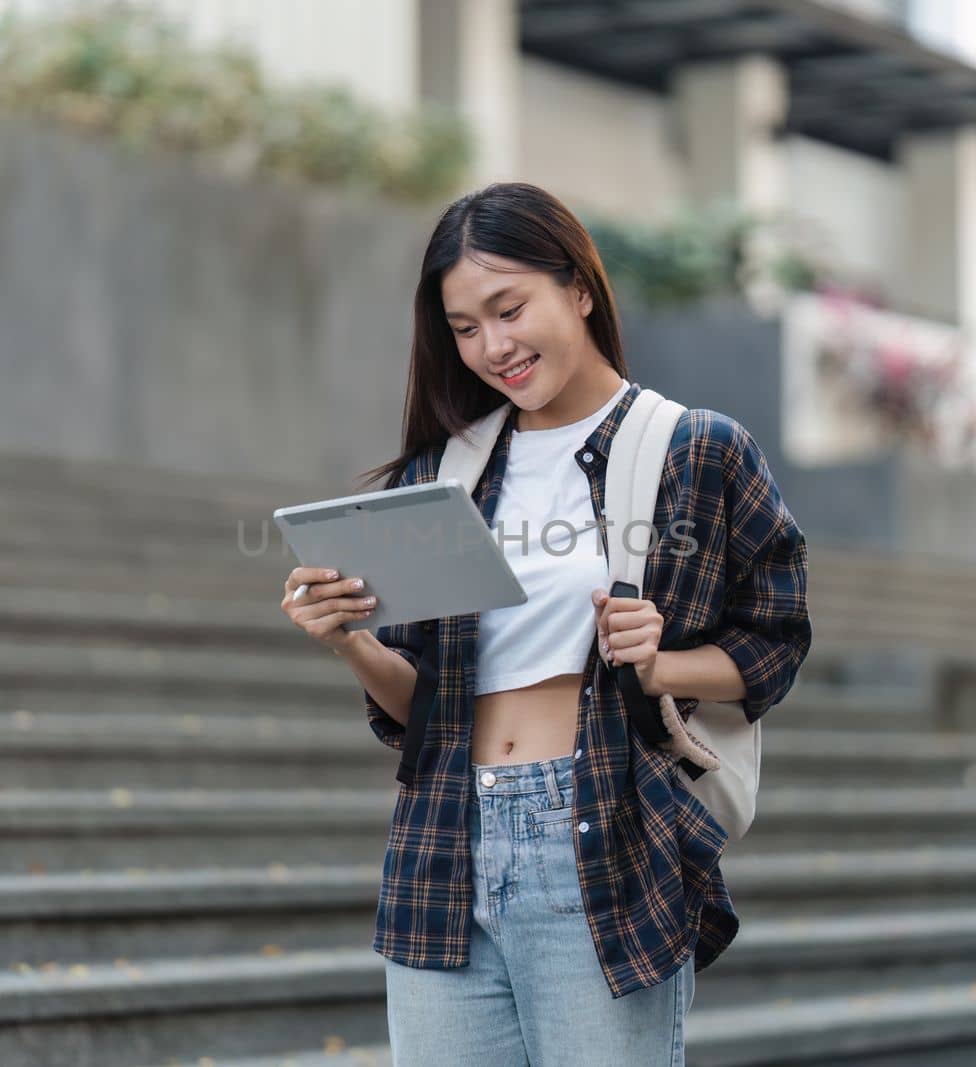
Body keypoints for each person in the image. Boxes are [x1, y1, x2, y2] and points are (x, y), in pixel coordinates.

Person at [280, 181, 811, 1066]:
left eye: (509, 307)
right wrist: (351, 640)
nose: (494, 346)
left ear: (580, 287)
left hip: (598, 835)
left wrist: (666, 664)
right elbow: (426, 709)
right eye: (465, 327)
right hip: (445, 845)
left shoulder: (693, 449)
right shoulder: (446, 472)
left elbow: (777, 638)